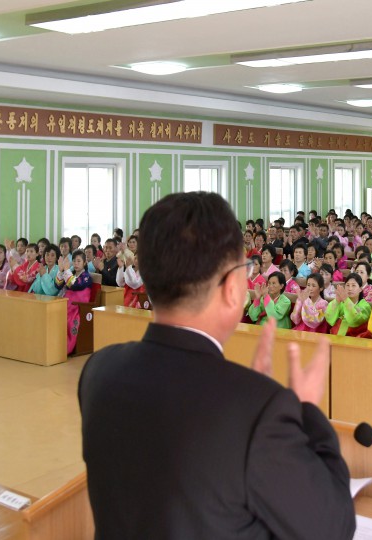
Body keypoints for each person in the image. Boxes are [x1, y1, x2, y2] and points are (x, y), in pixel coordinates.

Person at [80, 194, 354, 539]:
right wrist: (305, 412)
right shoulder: (256, 409)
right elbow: (333, 526)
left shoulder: (99, 371)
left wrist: (257, 401)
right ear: (230, 288)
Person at [58, 250, 93, 354]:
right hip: (66, 305)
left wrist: (66, 270)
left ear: (84, 263)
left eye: (79, 261)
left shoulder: (86, 277)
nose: (76, 263)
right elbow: (58, 285)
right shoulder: (71, 274)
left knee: (69, 321)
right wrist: (61, 271)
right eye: (74, 261)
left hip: (78, 308)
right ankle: (54, 346)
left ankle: (64, 349)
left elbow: (75, 285)